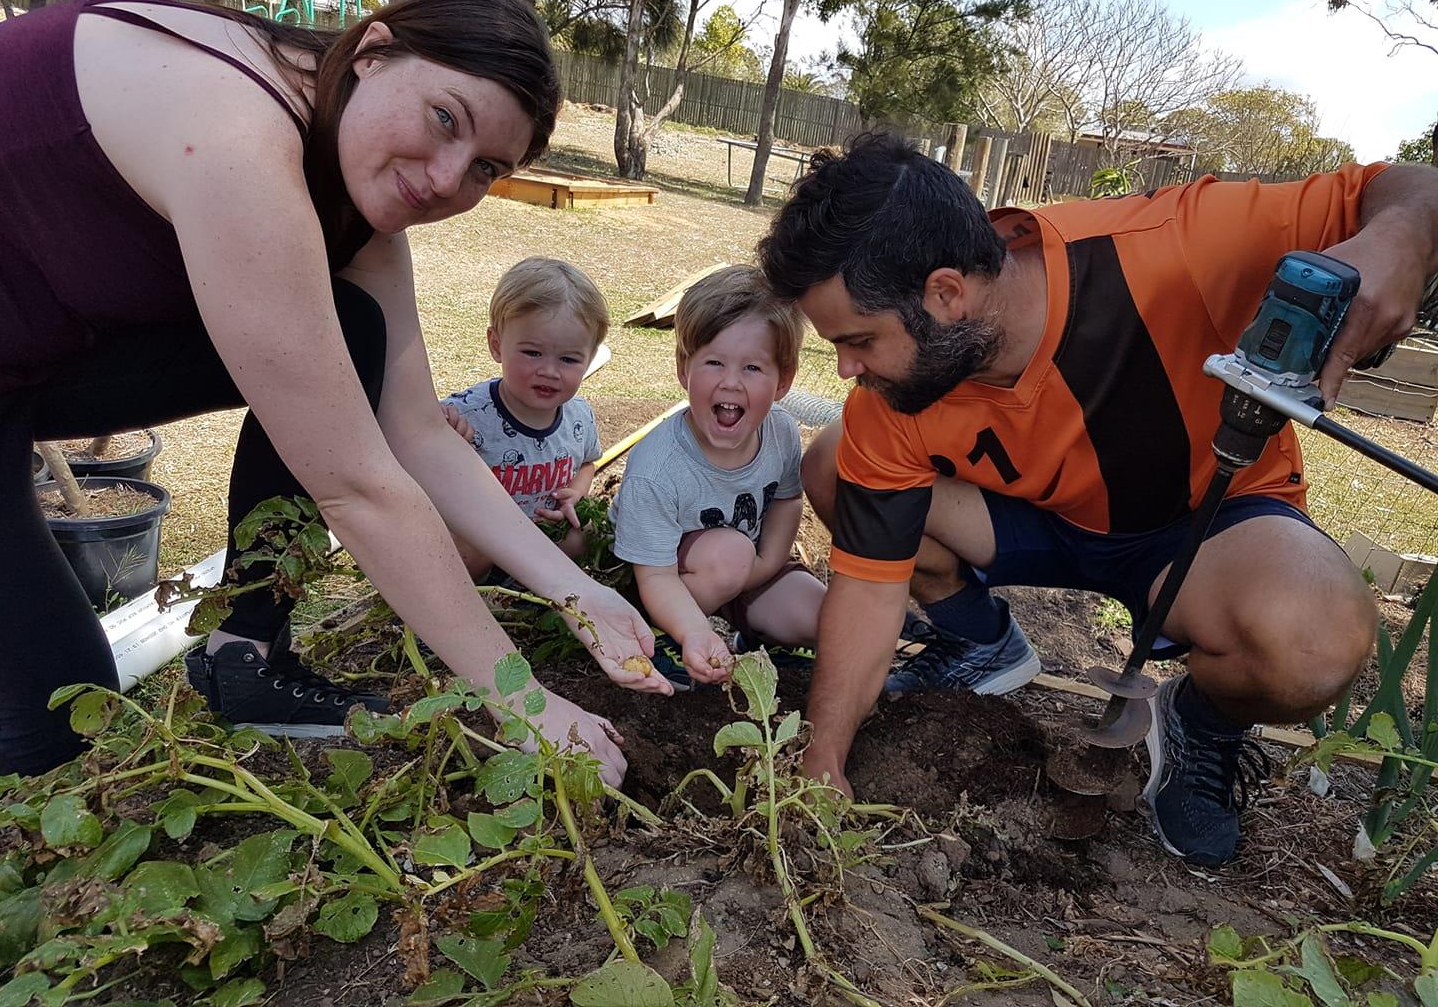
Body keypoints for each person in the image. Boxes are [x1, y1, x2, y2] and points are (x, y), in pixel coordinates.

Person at [0, 0, 669, 786]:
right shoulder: (237, 133)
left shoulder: (349, 184)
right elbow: (359, 485)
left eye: (485, 167)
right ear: (375, 52)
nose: (446, 178)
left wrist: (574, 592)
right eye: (445, 118)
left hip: (33, 359)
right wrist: (524, 703)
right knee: (52, 725)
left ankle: (242, 653)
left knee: (355, 326)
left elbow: (415, 431)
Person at [757, 132, 1438, 866]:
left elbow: (1417, 188)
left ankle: (1201, 722)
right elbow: (865, 585)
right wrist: (823, 756)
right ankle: (978, 642)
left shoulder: (1180, 244)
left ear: (946, 294)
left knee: (1315, 641)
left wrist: (1399, 239)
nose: (846, 367)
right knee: (836, 464)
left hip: (1201, 526)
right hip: (1036, 519)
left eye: (859, 340)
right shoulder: (890, 398)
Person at [609, 266, 826, 690]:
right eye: (713, 362)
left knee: (824, 617)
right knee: (730, 554)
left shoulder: (781, 432)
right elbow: (654, 574)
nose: (731, 382)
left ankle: (759, 637)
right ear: (683, 369)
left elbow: (786, 499)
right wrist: (693, 630)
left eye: (751, 368)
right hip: (664, 580)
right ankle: (664, 638)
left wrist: (767, 565)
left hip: (747, 572)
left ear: (784, 380)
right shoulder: (656, 469)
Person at [439, 256, 611, 578]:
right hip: (483, 545)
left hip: (543, 537)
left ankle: (539, 591)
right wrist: (444, 432)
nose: (549, 371)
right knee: (467, 553)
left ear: (589, 360)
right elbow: (416, 442)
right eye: (532, 353)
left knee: (586, 532)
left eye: (568, 359)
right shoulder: (466, 414)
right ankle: (465, 602)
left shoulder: (578, 416)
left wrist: (576, 491)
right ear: (497, 345)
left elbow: (587, 463)